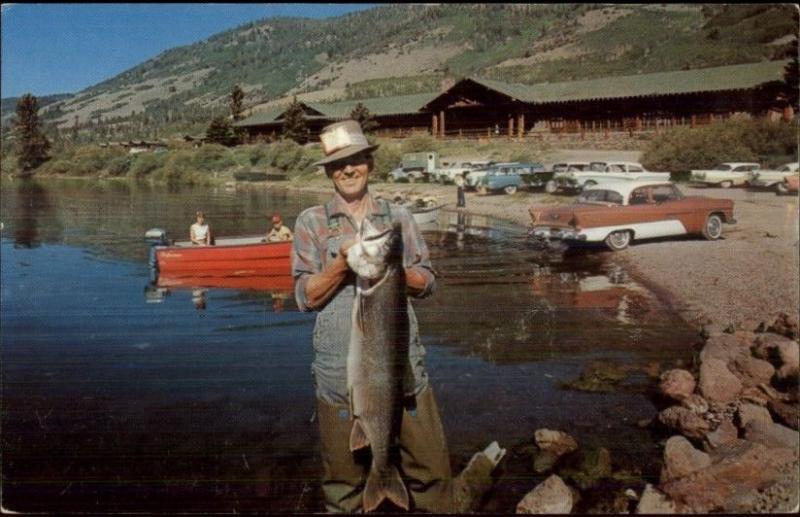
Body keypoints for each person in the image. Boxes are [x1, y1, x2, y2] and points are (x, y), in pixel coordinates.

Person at [291, 120, 453, 513]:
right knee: (343, 484)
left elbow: (428, 281)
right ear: (329, 171)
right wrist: (341, 266)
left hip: (403, 368)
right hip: (337, 375)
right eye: (338, 164)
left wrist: (391, 267)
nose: (348, 170)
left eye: (356, 160)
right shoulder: (311, 222)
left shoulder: (399, 217)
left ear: (370, 163)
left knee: (432, 472)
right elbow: (303, 297)